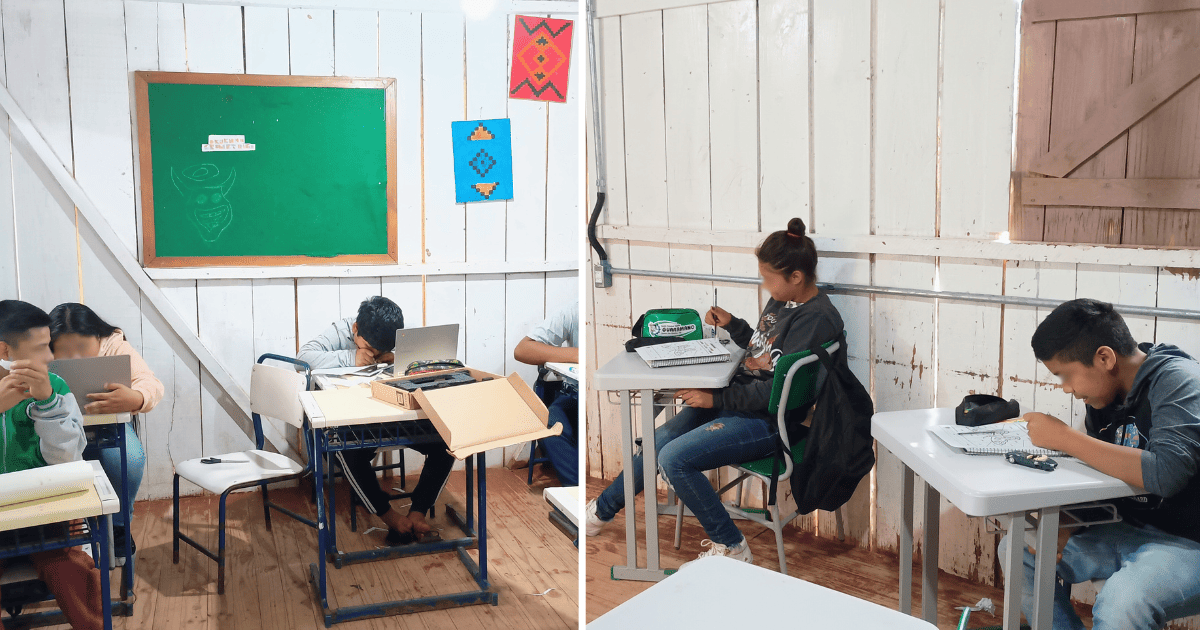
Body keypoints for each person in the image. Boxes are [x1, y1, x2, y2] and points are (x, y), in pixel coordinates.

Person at [585, 218, 843, 565]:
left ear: (795, 277)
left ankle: (732, 547)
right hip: (743, 402)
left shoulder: (816, 319)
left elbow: (776, 392)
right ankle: (600, 513)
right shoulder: (786, 301)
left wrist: (715, 399)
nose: (764, 284)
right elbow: (765, 355)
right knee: (658, 439)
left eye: (768, 277)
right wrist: (735, 325)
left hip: (770, 421)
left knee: (674, 459)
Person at [998, 298, 1200, 630]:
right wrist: (1068, 520)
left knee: (1122, 601)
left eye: (1065, 375)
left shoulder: (1179, 381)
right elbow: (1105, 477)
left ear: (1104, 357)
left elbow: (1167, 473)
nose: (1067, 389)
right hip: (1129, 529)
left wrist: (1065, 438)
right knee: (1018, 548)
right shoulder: (1104, 396)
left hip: (1190, 544)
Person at [298, 296, 455, 545]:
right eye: (368, 347)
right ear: (355, 329)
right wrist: (352, 358)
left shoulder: (392, 334)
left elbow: (430, 361)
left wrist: (396, 358)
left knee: (447, 443)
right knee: (346, 451)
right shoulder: (340, 331)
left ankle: (417, 512)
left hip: (391, 415)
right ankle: (389, 516)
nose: (373, 354)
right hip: (352, 421)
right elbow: (303, 357)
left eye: (380, 351)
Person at [0, 300, 101, 630]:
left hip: (45, 513)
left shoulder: (55, 387)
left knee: (71, 568)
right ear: (5, 350)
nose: (51, 357)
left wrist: (47, 405)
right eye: (42, 347)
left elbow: (68, 461)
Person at [49, 302, 164, 552]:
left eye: (82, 348)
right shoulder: (40, 352)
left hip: (108, 430)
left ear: (98, 337)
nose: (75, 358)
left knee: (129, 459)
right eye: (64, 352)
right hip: (58, 433)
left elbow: (150, 382)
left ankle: (120, 525)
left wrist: (137, 398)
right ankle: (66, 528)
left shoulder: (114, 345)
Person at [514, 301, 578, 486]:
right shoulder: (574, 310)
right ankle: (575, 491)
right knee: (548, 422)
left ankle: (576, 492)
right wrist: (574, 354)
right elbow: (522, 350)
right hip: (574, 392)